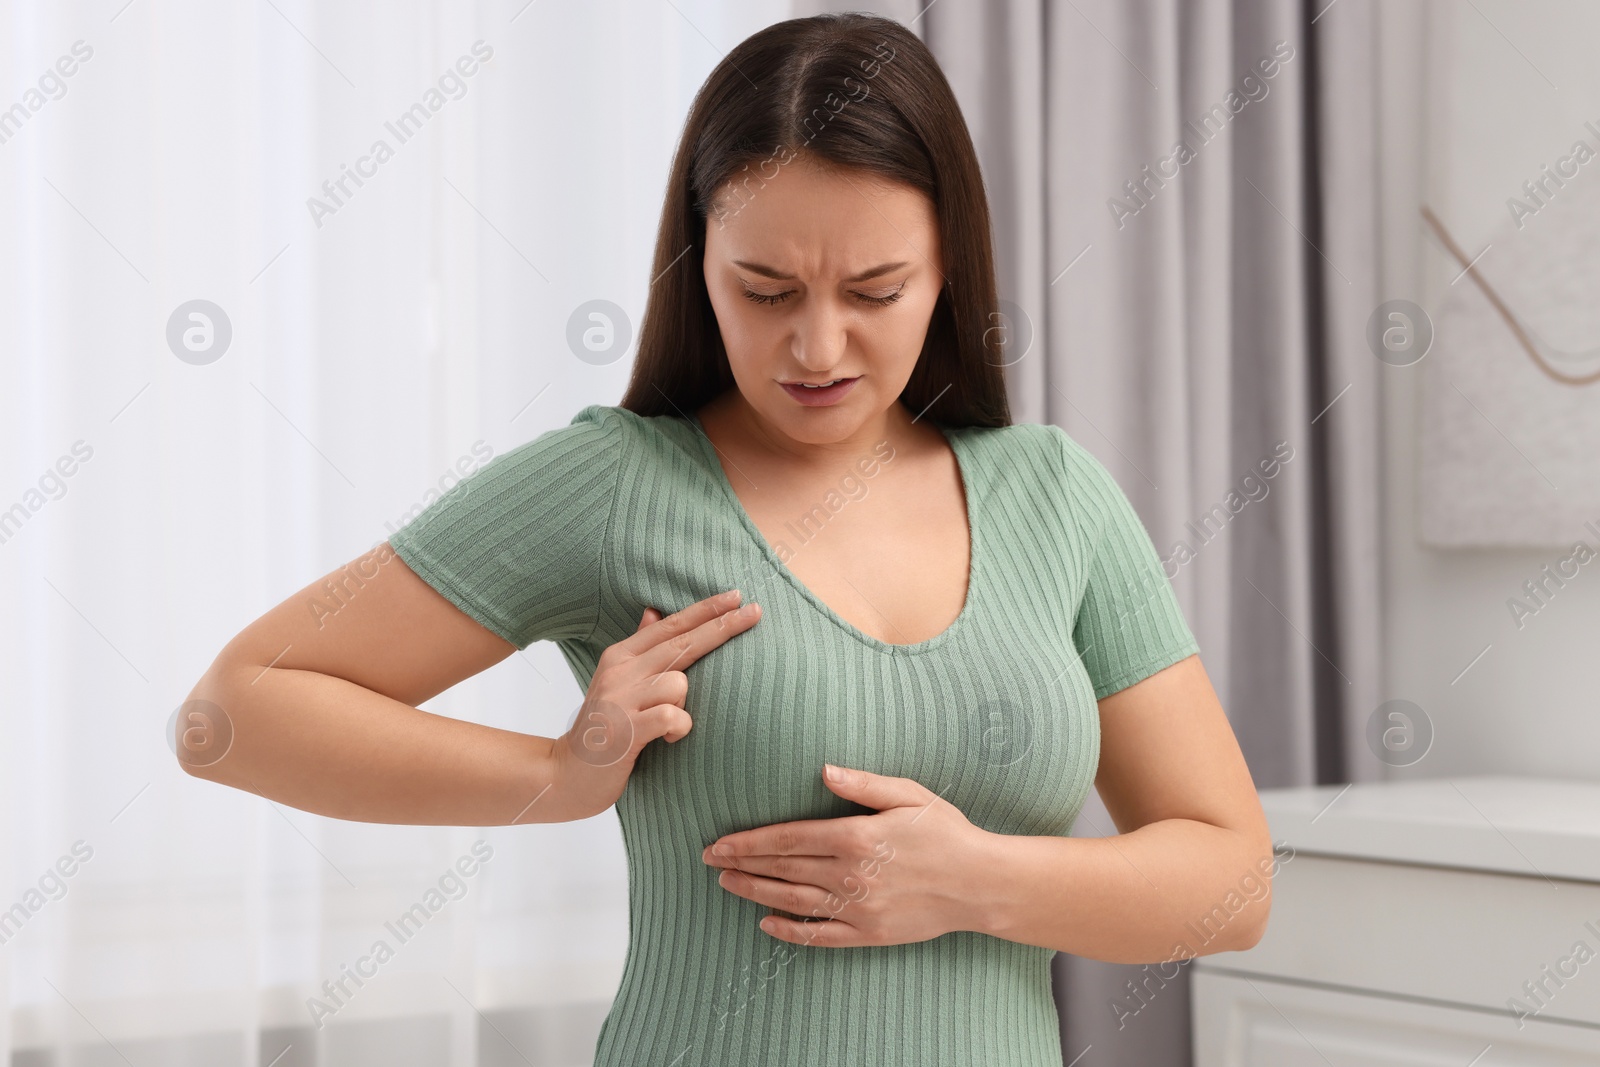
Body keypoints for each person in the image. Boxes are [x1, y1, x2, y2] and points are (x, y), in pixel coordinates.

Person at [180, 12, 1273, 1065]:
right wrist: (562, 771)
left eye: (874, 290)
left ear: (947, 270)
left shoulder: (1057, 497)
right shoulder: (615, 484)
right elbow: (231, 713)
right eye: (766, 289)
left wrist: (973, 878)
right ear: (700, 266)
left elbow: (1233, 881)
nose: (816, 343)